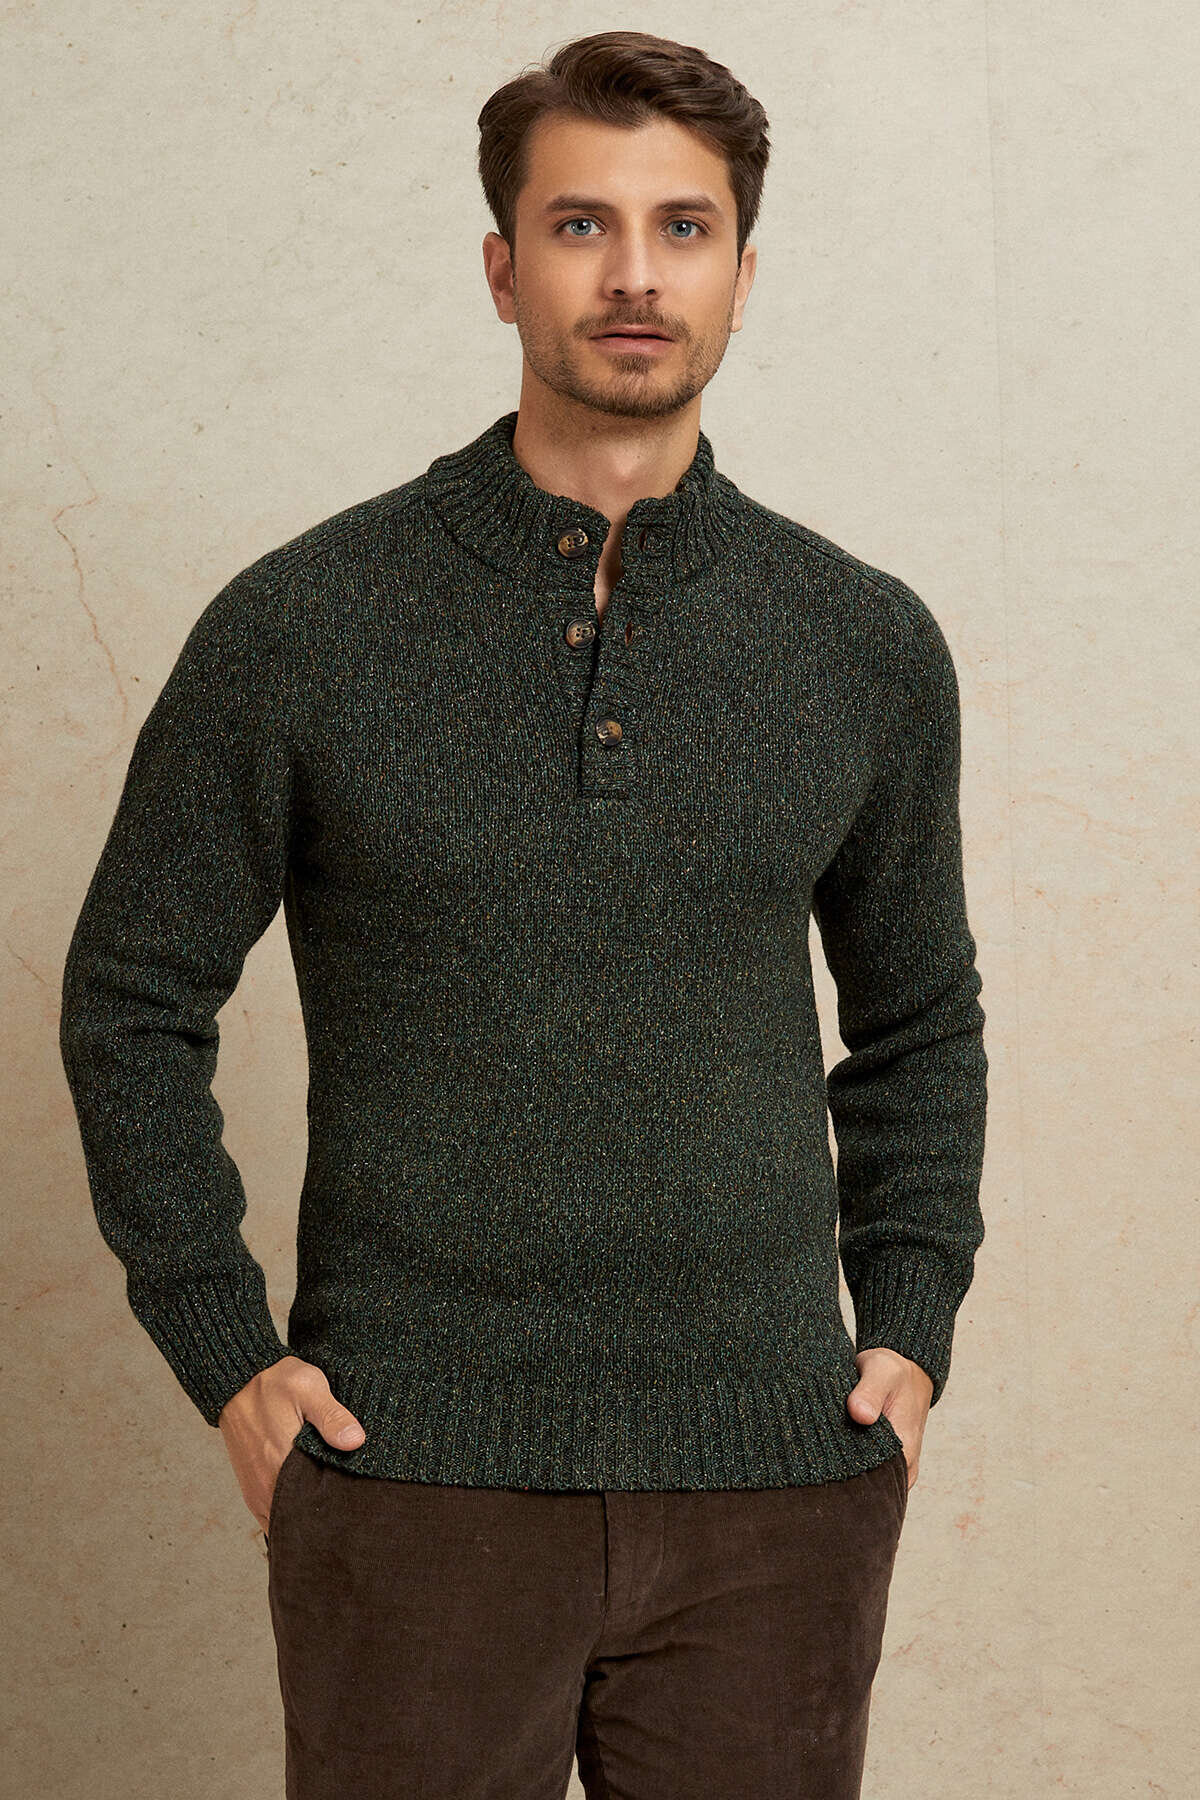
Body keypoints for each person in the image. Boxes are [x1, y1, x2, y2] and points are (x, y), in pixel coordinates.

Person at [58, 28, 988, 1800]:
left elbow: (920, 1020)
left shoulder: (860, 641)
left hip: (780, 1487)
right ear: (502, 269)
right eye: (581, 225)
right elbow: (130, 997)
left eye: (683, 228)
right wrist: (228, 1356)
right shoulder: (305, 623)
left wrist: (910, 1327)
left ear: (743, 273)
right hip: (409, 1477)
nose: (636, 275)